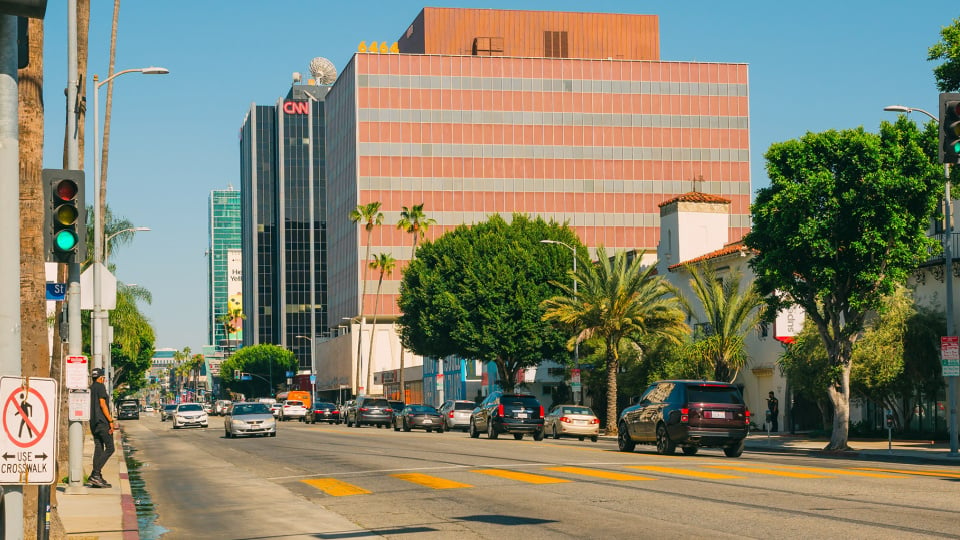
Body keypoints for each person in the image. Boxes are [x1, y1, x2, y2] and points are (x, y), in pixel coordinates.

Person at [88, 368, 117, 488]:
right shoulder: (100, 387)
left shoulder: (90, 388)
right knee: (110, 448)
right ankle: (95, 474)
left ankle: (97, 477)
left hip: (93, 423)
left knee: (99, 448)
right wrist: (110, 420)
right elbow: (102, 404)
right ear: (101, 378)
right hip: (102, 422)